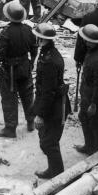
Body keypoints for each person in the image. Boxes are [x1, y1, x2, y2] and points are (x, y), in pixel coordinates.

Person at [0, 0, 37, 138]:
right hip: (25, 66)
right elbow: (34, 50)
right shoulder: (29, 30)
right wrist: (31, 63)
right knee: (27, 94)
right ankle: (31, 122)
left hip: (9, 71)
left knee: (9, 97)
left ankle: (10, 128)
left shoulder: (6, 33)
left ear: (9, 16)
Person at [30, 21, 66, 179]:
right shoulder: (48, 52)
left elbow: (49, 91)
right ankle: (54, 169)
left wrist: (41, 115)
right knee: (46, 139)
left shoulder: (49, 60)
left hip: (53, 106)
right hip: (51, 102)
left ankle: (57, 173)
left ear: (40, 39)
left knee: (48, 143)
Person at [75, 24, 98, 156]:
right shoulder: (94, 49)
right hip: (87, 92)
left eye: (87, 40)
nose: (85, 42)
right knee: (83, 117)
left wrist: (94, 104)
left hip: (94, 96)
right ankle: (89, 146)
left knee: (97, 122)